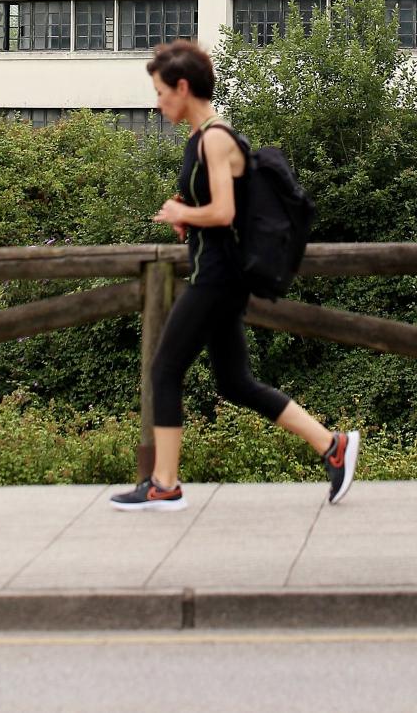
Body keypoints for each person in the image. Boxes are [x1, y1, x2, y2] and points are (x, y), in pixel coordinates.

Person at [110, 38, 359, 510]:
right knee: (234, 382)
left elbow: (223, 212)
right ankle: (333, 446)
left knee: (164, 370)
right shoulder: (200, 138)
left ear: (183, 88)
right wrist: (187, 216)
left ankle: (165, 484)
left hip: (219, 279)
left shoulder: (216, 138)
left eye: (162, 92)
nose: (158, 102)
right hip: (217, 271)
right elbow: (218, 212)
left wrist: (179, 211)